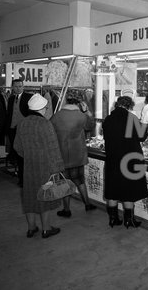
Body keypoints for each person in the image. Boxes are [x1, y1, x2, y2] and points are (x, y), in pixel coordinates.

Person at [14, 94, 64, 238]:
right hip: (45, 167)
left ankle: (31, 228)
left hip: (28, 167)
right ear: (41, 109)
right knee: (45, 196)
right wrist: (58, 168)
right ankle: (46, 229)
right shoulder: (45, 124)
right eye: (46, 107)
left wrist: (29, 156)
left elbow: (17, 146)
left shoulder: (22, 123)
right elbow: (53, 147)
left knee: (29, 196)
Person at [102, 96, 148, 229]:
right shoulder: (131, 118)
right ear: (129, 106)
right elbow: (142, 136)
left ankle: (113, 219)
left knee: (112, 190)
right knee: (128, 190)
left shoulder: (108, 119)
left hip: (112, 159)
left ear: (117, 105)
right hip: (129, 159)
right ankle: (129, 220)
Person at [51, 89, 97, 218]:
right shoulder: (81, 116)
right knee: (80, 180)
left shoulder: (56, 116)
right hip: (77, 155)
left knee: (64, 183)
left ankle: (66, 210)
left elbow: (51, 132)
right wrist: (87, 111)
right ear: (79, 102)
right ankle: (87, 204)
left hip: (61, 155)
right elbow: (90, 126)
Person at [6, 79, 33, 187]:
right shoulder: (11, 98)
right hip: (13, 130)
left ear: (23, 86)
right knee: (17, 154)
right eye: (16, 86)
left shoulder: (29, 97)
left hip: (24, 131)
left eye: (20, 86)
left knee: (24, 156)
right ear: (12, 87)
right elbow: (9, 114)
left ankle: (24, 179)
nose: (18, 88)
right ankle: (20, 177)